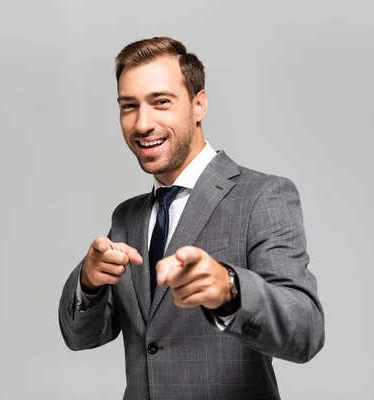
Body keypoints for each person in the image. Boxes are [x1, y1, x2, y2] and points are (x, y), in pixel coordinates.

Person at [58, 36, 324, 400]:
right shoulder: (126, 217)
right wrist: (88, 282)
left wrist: (230, 289)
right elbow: (81, 337)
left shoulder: (262, 196)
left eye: (161, 102)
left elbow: (306, 332)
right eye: (128, 106)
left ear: (199, 105)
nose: (142, 123)